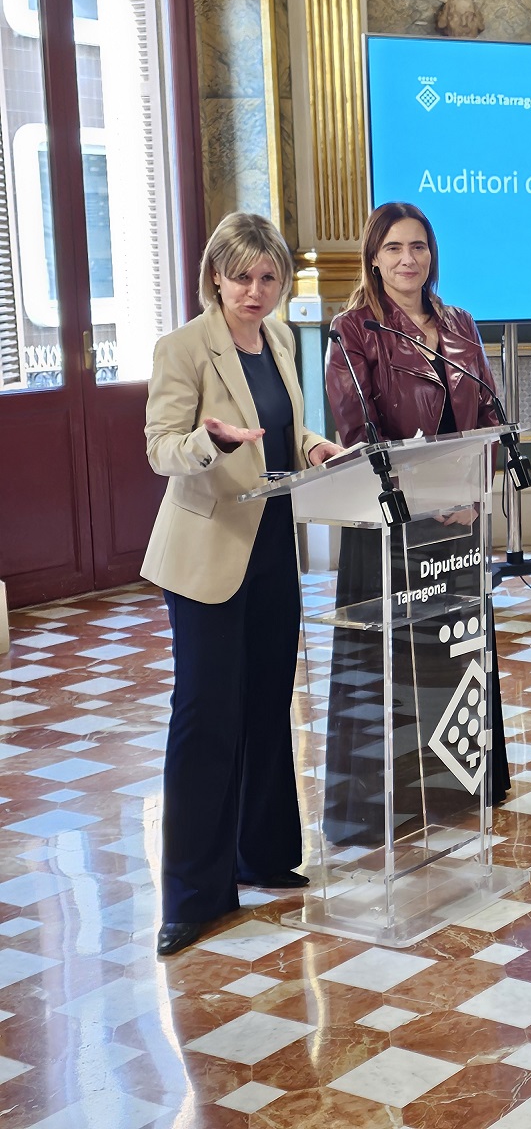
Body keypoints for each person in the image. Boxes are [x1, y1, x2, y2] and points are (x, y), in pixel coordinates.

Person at [141, 212, 338, 956]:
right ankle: (191, 894)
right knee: (204, 715)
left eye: (267, 277)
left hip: (270, 547)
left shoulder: (280, 340)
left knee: (264, 704)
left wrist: (315, 446)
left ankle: (264, 855)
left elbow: (284, 429)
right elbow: (162, 450)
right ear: (214, 277)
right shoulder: (182, 348)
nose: (255, 292)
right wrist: (207, 441)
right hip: (205, 553)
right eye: (241, 277)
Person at [320, 202, 510, 846]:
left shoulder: (459, 322)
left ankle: (461, 783)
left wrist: (472, 490)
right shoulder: (354, 330)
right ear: (373, 256)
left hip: (461, 517)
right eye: (395, 248)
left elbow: (485, 410)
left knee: (455, 645)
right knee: (394, 659)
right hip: (393, 521)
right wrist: (428, 493)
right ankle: (392, 798)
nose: (409, 259)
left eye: (420, 247)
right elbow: (358, 429)